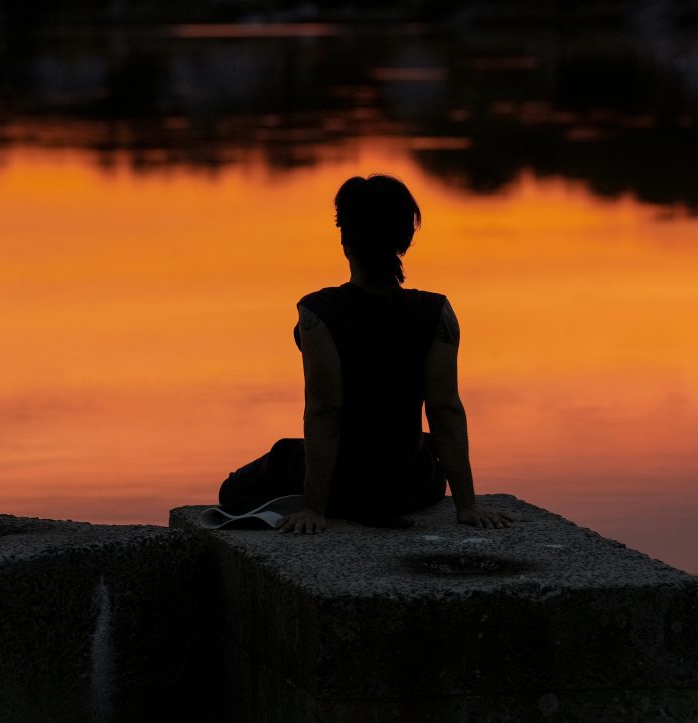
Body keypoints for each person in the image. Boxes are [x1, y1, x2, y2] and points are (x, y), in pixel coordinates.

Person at [217, 174, 513, 534]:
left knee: (234, 489)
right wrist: (467, 505)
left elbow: (327, 410)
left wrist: (313, 509)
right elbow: (444, 407)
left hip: (345, 489)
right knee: (423, 445)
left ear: (346, 243)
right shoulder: (437, 312)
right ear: (404, 241)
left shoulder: (318, 312)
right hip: (414, 485)